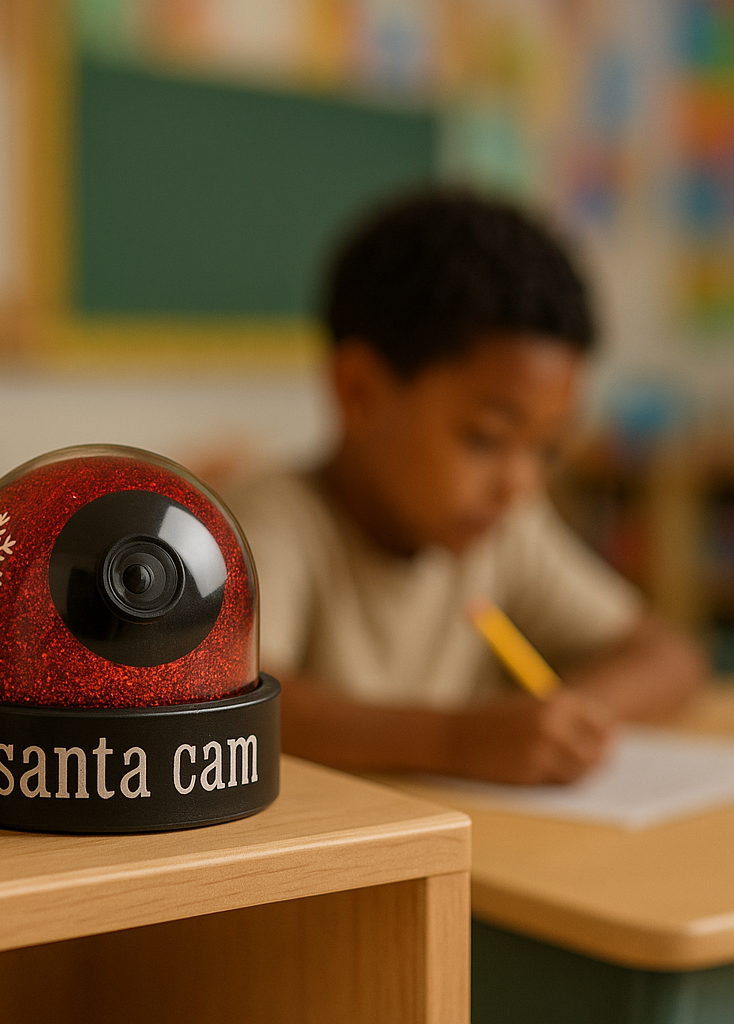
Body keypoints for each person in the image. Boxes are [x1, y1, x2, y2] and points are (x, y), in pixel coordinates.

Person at [227, 189, 705, 785]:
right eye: (485, 438)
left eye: (547, 449)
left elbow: (670, 656)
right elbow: (237, 714)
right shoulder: (267, 524)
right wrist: (455, 739)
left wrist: (570, 718)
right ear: (360, 391)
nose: (521, 484)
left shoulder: (504, 532)